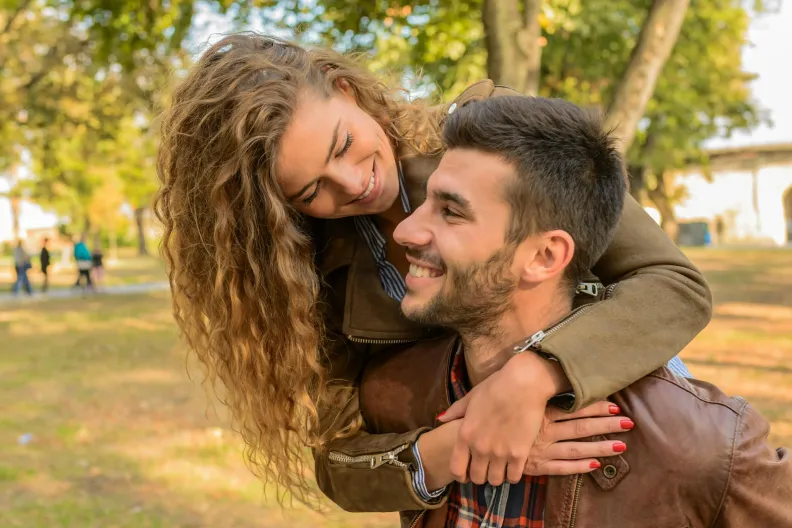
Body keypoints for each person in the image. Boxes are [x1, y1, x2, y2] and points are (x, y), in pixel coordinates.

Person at [154, 34, 711, 508]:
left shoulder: (488, 134)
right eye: (311, 190)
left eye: (343, 144)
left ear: (345, 89)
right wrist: (467, 444)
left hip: (623, 457)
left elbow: (672, 285)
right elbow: (339, 459)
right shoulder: (307, 277)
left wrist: (533, 376)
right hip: (467, 503)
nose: (352, 184)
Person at [357, 96, 792, 527]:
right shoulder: (395, 396)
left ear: (545, 256)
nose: (405, 230)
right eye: (428, 202)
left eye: (451, 212)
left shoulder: (703, 445)